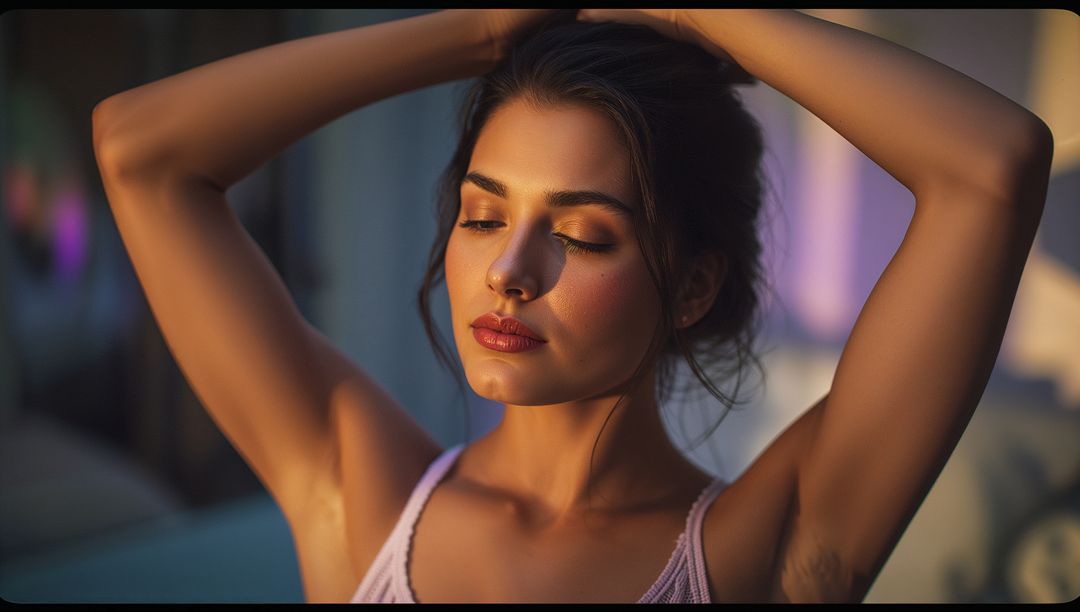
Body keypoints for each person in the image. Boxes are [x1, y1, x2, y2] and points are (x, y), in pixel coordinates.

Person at [90, 9, 1052, 603]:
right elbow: (141, 152)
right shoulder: (361, 499)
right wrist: (478, 32)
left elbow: (992, 167)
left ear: (691, 286)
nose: (509, 270)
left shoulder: (769, 549)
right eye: (479, 215)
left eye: (585, 235)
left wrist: (697, 12)